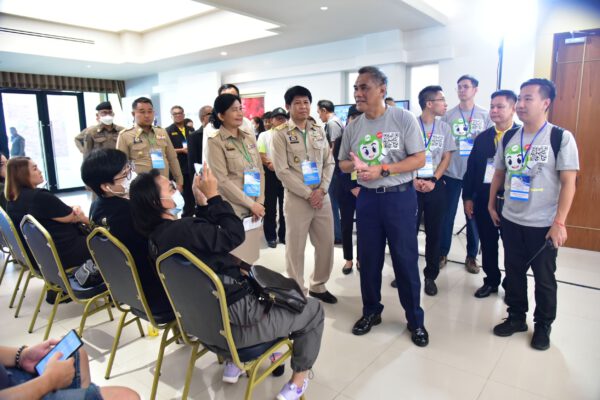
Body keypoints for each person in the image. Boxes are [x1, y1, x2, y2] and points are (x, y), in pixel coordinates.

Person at [129, 167, 324, 400]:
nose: (176, 188)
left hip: (202, 326)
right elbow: (233, 235)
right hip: (239, 324)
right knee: (313, 309)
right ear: (158, 203)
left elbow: (203, 236)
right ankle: (298, 382)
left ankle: (235, 362)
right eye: (170, 188)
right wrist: (214, 197)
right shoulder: (186, 229)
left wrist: (202, 205)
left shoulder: (157, 240)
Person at [338, 66, 429, 346]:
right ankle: (371, 311)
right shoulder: (354, 126)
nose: (358, 93)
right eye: (356, 88)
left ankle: (415, 319)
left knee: (405, 259)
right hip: (367, 200)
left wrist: (383, 169)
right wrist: (357, 166)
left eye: (364, 87)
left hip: (399, 198)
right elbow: (342, 163)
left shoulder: (403, 118)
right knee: (369, 259)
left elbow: (419, 159)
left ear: (382, 89)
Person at [489, 79, 579, 351]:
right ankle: (517, 317)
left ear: (545, 103)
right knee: (514, 272)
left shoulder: (560, 137)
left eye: (528, 98)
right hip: (511, 219)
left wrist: (559, 222)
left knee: (544, 279)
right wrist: (492, 205)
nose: (521, 104)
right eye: (520, 98)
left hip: (543, 225)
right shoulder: (509, 137)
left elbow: (569, 182)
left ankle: (543, 325)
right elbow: (499, 173)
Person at [80, 148, 173, 316]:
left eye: (129, 167)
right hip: (158, 292)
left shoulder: (96, 206)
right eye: (125, 174)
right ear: (106, 186)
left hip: (126, 290)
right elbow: (165, 243)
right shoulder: (131, 212)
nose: (132, 175)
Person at [271, 86, 337, 304]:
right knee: (296, 247)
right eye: (297, 103)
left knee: (326, 244)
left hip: (322, 196)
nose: (303, 107)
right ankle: (297, 289)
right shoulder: (280, 134)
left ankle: (318, 285)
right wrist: (309, 194)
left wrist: (322, 189)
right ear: (288, 106)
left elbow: (329, 162)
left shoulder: (318, 130)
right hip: (298, 198)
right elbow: (282, 171)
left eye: (306, 102)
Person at [391, 86, 455, 296]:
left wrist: (434, 180)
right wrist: (414, 179)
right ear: (429, 103)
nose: (445, 104)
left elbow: (446, 157)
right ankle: (405, 273)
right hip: (410, 185)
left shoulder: (444, 128)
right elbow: (401, 156)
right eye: (441, 100)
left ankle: (430, 276)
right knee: (407, 232)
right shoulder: (410, 125)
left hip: (435, 186)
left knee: (434, 233)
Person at [462, 90, 519, 298]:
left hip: (513, 201)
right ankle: (491, 280)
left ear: (513, 109)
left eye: (500, 106)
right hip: (485, 198)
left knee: (513, 246)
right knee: (487, 242)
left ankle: (512, 283)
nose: (494, 110)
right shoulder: (483, 138)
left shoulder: (522, 137)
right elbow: (471, 170)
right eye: (492, 106)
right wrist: (468, 197)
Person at [440, 75, 493, 273]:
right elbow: (442, 145)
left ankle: (471, 256)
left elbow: (491, 147)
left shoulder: (485, 115)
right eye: (459, 87)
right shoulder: (448, 116)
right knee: (447, 216)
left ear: (475, 90)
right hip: (452, 173)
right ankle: (442, 253)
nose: (462, 90)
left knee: (473, 216)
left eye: (466, 87)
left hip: (475, 176)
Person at [206, 94, 265, 264]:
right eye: (234, 110)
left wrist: (259, 202)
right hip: (234, 208)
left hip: (255, 205)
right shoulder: (215, 142)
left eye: (240, 109)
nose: (239, 113)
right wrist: (251, 204)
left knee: (251, 255)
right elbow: (222, 180)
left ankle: (247, 279)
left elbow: (260, 171)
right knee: (235, 257)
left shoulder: (249, 136)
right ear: (221, 115)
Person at [6, 157, 92, 268]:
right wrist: (78, 211)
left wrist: (74, 210)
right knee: (105, 241)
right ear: (23, 174)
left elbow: (59, 211)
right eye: (35, 169)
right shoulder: (39, 196)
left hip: (40, 257)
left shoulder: (12, 201)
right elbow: (71, 216)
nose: (40, 171)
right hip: (63, 253)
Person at [0, 339, 139, 399]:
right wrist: (50, 380)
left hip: (9, 378)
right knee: (126, 397)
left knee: (77, 353)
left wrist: (21, 355)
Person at [116, 97, 183, 192]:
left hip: (163, 185)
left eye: (150, 111)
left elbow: (172, 158)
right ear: (133, 114)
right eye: (142, 112)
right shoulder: (125, 135)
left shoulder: (161, 132)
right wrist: (123, 189)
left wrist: (179, 181)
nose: (147, 115)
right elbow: (121, 165)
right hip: (140, 188)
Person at [333, 105, 362, 274]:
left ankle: (360, 258)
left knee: (364, 227)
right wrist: (352, 187)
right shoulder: (340, 140)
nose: (356, 121)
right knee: (346, 226)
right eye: (353, 117)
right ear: (348, 119)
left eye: (360, 117)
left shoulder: (367, 139)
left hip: (365, 189)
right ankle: (348, 259)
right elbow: (337, 168)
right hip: (346, 190)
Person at [257, 107, 288, 248]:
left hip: (286, 175)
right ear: (272, 120)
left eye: (283, 118)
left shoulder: (291, 135)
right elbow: (261, 154)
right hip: (270, 174)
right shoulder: (264, 135)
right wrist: (271, 164)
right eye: (278, 118)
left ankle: (284, 235)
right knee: (270, 207)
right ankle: (270, 236)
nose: (281, 121)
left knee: (285, 206)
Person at [202, 84, 254, 164]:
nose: (230, 101)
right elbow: (207, 158)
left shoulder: (247, 123)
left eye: (233, 97)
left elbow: (254, 149)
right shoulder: (210, 128)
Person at [317, 100, 343, 244]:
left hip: (334, 169)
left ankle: (337, 235)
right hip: (337, 169)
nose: (319, 116)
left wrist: (326, 167)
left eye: (319, 112)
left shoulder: (332, 124)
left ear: (324, 110)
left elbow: (333, 148)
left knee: (333, 203)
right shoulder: (336, 122)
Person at [165, 105, 195, 216]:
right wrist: (181, 150)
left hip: (190, 166)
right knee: (178, 195)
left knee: (191, 195)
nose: (178, 115)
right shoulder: (168, 131)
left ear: (183, 115)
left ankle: (189, 216)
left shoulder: (190, 129)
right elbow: (166, 150)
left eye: (180, 113)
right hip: (178, 167)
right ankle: (174, 216)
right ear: (171, 116)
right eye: (175, 114)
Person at [187, 105, 212, 174]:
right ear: (202, 117)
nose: (213, 116)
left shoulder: (219, 133)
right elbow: (193, 161)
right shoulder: (194, 136)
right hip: (204, 174)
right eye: (210, 114)